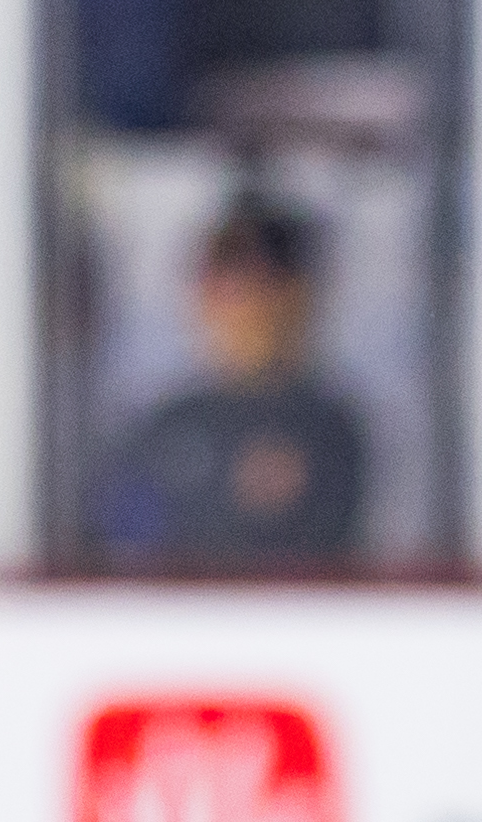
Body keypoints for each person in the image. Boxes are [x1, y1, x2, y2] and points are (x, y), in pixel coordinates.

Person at [89, 187, 368, 567]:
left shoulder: (329, 430)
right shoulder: (166, 424)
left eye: (250, 283)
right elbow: (122, 544)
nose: (227, 305)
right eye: (213, 281)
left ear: (295, 295)